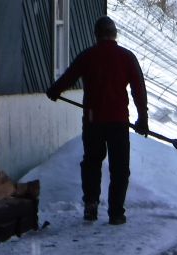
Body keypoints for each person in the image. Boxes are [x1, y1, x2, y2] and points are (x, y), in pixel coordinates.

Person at [46, 15, 148, 225]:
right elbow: (139, 89)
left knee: (92, 162)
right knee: (119, 167)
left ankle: (91, 205)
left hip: (93, 121)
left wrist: (55, 90)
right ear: (114, 34)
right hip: (119, 121)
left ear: (96, 35)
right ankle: (116, 212)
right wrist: (142, 118)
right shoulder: (127, 57)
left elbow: (69, 77)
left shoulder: (88, 56)